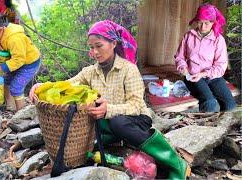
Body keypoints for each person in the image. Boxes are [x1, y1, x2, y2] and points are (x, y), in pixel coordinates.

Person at [29, 20, 191, 179]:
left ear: (113, 43)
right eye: (91, 47)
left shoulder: (128, 69)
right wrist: (43, 86)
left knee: (118, 122)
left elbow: (135, 105)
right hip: (106, 121)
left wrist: (109, 109)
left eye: (99, 45)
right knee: (86, 122)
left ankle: (176, 163)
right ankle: (112, 146)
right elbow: (67, 85)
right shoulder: (90, 72)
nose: (95, 52)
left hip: (135, 120)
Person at [174, 4, 236, 112]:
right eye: (200, 22)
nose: (202, 27)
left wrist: (204, 74)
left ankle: (222, 127)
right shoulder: (188, 36)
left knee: (230, 104)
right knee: (209, 102)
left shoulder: (218, 40)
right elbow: (179, 57)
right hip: (193, 76)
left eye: (207, 23)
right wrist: (182, 67)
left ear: (213, 22)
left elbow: (221, 66)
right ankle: (205, 127)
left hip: (213, 77)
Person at [0, 10, 40, 111]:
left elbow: (19, 59)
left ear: (0, 30)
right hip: (16, 62)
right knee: (6, 81)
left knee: (16, 87)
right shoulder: (1, 33)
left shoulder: (14, 39)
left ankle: (21, 113)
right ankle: (9, 105)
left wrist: (1, 67)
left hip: (29, 64)